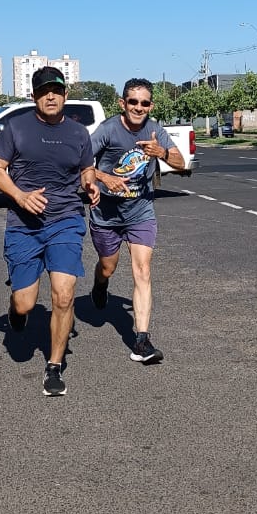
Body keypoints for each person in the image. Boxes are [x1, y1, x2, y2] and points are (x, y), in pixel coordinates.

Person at [0, 66, 99, 397]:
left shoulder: (79, 133)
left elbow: (87, 168)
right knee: (25, 303)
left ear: (65, 94)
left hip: (65, 220)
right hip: (24, 225)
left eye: (56, 91)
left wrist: (90, 183)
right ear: (33, 96)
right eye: (43, 91)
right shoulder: (16, 128)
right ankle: (16, 310)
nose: (50, 97)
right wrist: (20, 196)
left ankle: (54, 365)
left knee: (64, 295)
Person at [89, 78, 184, 364]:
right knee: (108, 266)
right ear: (123, 103)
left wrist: (161, 153)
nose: (138, 107)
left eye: (144, 103)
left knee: (142, 271)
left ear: (150, 106)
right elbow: (80, 163)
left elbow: (181, 163)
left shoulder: (155, 130)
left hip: (140, 212)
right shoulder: (108, 130)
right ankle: (100, 284)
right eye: (133, 102)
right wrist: (104, 178)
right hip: (106, 214)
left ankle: (141, 341)